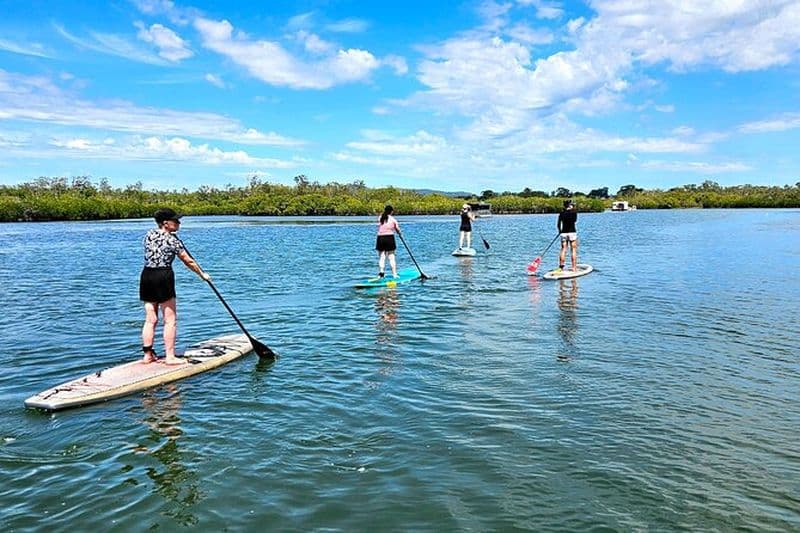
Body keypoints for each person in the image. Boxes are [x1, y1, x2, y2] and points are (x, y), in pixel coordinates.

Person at [139, 208, 210, 364]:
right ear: (166, 223)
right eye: (176, 220)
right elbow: (188, 260)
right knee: (170, 320)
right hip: (163, 276)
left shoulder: (149, 234)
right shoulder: (173, 240)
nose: (179, 223)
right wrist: (202, 275)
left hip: (147, 275)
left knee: (150, 319)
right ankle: (170, 357)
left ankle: (147, 355)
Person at [376, 205, 401, 278]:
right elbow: (397, 229)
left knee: (382, 257)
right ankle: (394, 274)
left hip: (380, 238)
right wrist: (400, 234)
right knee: (391, 257)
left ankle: (381, 273)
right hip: (389, 238)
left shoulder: (380, 218)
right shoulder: (393, 220)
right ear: (391, 211)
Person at [557, 200, 578, 272]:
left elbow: (558, 224)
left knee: (563, 249)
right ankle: (574, 268)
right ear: (569, 205)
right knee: (573, 250)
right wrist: (573, 208)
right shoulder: (574, 212)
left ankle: (561, 268)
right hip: (572, 232)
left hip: (563, 233)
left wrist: (560, 231)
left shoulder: (561, 213)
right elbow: (575, 221)